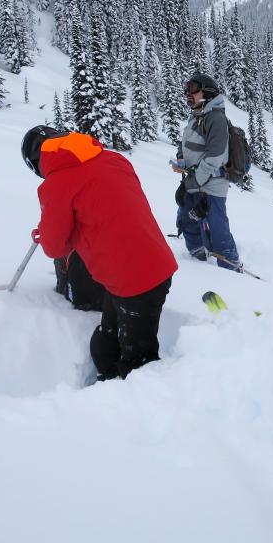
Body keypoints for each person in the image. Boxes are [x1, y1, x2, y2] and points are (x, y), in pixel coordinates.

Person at [22, 125, 177, 381]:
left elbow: (54, 247)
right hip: (152, 266)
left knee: (139, 365)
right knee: (107, 341)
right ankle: (109, 386)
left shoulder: (57, 184)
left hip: (133, 283)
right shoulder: (113, 159)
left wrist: (51, 230)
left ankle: (135, 404)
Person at [172, 73, 241, 271]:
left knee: (217, 229)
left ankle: (230, 266)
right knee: (188, 220)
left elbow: (215, 156)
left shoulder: (215, 119)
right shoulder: (197, 116)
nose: (188, 93)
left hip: (212, 184)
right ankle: (197, 264)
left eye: (193, 88)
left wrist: (196, 180)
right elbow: (185, 143)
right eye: (186, 89)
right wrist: (181, 160)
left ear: (208, 92)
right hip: (194, 181)